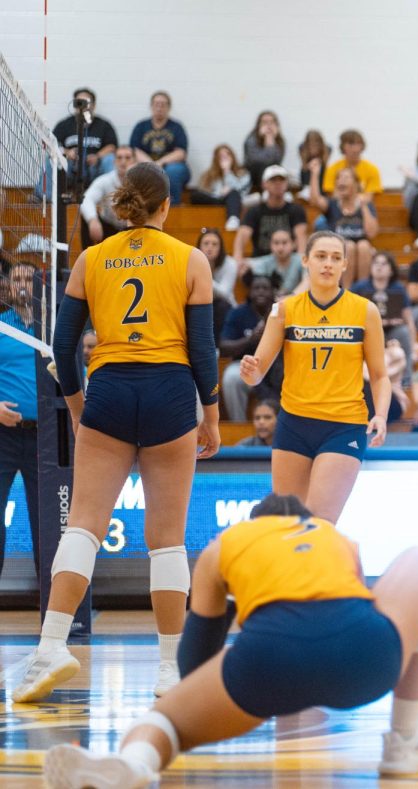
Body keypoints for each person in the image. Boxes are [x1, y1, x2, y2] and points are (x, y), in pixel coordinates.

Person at [42, 493, 418, 785]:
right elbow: (361, 604)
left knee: (162, 720)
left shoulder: (225, 544)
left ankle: (133, 763)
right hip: (361, 655)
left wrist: (228, 603)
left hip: (266, 660)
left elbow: (193, 665)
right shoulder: (337, 538)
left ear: (255, 522)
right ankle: (403, 741)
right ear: (303, 519)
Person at [22, 163, 222, 704]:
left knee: (83, 528)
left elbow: (63, 349)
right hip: (171, 392)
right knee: (167, 540)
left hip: (109, 389)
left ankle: (50, 647)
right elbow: (203, 352)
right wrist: (213, 414)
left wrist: (78, 405)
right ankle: (167, 670)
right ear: (166, 206)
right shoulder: (191, 260)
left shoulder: (91, 258)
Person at [239, 231, 390, 522]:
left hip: (343, 425)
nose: (328, 264)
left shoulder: (365, 310)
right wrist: (250, 371)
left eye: (336, 258)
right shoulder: (284, 309)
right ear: (306, 260)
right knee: (286, 522)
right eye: (321, 256)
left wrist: (380, 415)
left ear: (345, 265)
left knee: (319, 523)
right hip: (293, 423)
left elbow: (380, 375)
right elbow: (256, 374)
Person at [0, 263, 42, 585]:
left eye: (29, 278)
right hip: (3, 436)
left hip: (45, 438)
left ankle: (52, 604)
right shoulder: (0, 326)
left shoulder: (52, 329)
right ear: (8, 287)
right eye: (17, 279)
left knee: (47, 522)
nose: (24, 284)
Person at [219, 271, 284, 421]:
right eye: (256, 288)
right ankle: (239, 425)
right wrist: (250, 340)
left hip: (277, 367)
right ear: (249, 291)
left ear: (273, 291)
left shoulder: (281, 311)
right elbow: (223, 347)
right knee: (231, 376)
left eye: (265, 288)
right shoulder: (238, 313)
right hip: (245, 365)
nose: (260, 291)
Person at [352, 251, 418, 383]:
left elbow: (409, 320)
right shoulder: (360, 287)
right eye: (376, 263)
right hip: (368, 330)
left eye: (384, 264)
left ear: (391, 270)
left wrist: (413, 347)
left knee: (404, 331)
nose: (379, 267)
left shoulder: (399, 288)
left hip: (392, 330)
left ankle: (407, 379)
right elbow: (347, 308)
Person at [312, 169, 379, 285]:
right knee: (349, 246)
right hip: (336, 251)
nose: (341, 181)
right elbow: (315, 200)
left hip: (362, 252)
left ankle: (361, 291)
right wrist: (315, 173)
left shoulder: (366, 205)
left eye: (346, 177)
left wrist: (363, 206)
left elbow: (372, 233)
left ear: (356, 184)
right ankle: (346, 292)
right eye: (338, 178)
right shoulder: (333, 204)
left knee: (364, 246)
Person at [234, 165, 308, 264]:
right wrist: (238, 260)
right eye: (273, 180)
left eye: (281, 180)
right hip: (261, 261)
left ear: (286, 184)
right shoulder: (254, 211)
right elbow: (242, 236)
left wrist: (300, 265)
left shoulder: (296, 210)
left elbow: (301, 239)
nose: (278, 183)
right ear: (264, 184)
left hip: (288, 263)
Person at [129, 91, 190, 205]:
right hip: (146, 165)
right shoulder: (141, 126)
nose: (159, 107)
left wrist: (160, 163)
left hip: (170, 166)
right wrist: (152, 165)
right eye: (156, 104)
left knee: (173, 171)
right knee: (132, 170)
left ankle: (172, 207)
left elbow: (181, 152)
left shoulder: (177, 127)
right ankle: (139, 207)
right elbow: (134, 150)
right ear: (151, 106)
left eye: (163, 104)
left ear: (168, 107)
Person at [53, 87, 118, 187]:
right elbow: (53, 145)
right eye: (79, 101)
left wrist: (98, 156)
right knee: (53, 158)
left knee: (110, 159)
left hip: (95, 166)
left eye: (86, 102)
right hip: (71, 166)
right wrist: (67, 153)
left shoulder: (104, 125)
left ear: (94, 105)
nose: (83, 105)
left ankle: (112, 197)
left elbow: (112, 146)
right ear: (74, 104)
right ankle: (46, 198)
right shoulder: (64, 125)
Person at [81, 146, 135, 244]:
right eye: (119, 158)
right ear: (114, 161)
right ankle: (88, 256)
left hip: (132, 229)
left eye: (128, 158)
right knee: (87, 217)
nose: (123, 162)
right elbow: (86, 199)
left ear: (134, 161)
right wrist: (92, 220)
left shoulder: (141, 181)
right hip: (108, 228)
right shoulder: (104, 180)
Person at [191, 144, 249, 231]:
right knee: (194, 195)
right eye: (221, 156)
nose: (224, 158)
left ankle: (233, 219)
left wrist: (227, 172)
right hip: (215, 200)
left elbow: (241, 191)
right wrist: (220, 194)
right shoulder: (208, 175)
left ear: (232, 156)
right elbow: (206, 191)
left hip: (234, 199)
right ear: (216, 159)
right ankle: (219, 202)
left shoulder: (243, 174)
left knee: (233, 193)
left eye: (227, 155)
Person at [322, 129, 383, 199]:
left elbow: (368, 197)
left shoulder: (372, 169)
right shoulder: (332, 169)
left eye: (358, 144)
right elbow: (332, 195)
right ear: (342, 146)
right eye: (351, 144)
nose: (355, 149)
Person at [249, 228, 304, 295]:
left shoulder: (302, 260)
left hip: (295, 301)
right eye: (276, 243)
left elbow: (308, 281)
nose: (280, 248)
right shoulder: (264, 262)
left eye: (284, 243)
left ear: (293, 244)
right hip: (270, 302)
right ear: (270, 245)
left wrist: (289, 299)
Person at [242, 110, 285, 193]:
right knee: (263, 167)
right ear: (259, 125)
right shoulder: (251, 139)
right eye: (265, 122)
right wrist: (269, 144)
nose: (268, 126)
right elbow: (256, 160)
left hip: (271, 174)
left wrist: (272, 142)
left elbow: (277, 160)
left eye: (271, 122)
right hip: (253, 173)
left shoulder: (279, 141)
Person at [196, 228, 237, 309]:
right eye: (206, 243)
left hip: (225, 306)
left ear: (220, 248)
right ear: (199, 247)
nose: (210, 248)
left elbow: (224, 293)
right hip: (201, 303)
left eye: (214, 244)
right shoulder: (192, 262)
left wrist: (204, 276)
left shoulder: (230, 263)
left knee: (221, 305)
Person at [298, 130, 330, 201]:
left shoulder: (323, 162)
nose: (313, 146)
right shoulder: (305, 161)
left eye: (316, 143)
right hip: (306, 193)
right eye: (310, 143)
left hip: (321, 194)